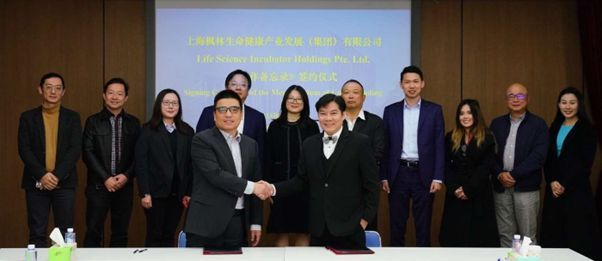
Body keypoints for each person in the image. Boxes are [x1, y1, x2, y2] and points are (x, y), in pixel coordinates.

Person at [262, 94, 379, 249]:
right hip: (318, 229)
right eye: (323, 114)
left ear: (343, 114)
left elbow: (371, 185)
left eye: (333, 113)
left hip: (350, 227)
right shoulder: (310, 144)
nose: (328, 118)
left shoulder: (360, 142)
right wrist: (272, 188)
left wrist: (364, 220)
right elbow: (300, 181)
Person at [185, 90, 269, 249]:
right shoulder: (201, 140)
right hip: (205, 223)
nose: (228, 114)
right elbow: (215, 175)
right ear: (214, 115)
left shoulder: (251, 144)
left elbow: (256, 180)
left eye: (234, 110)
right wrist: (253, 187)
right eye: (223, 110)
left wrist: (255, 223)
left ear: (241, 114)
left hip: (237, 222)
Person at [381, 65, 445, 247]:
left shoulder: (434, 110)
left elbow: (439, 145)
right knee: (396, 227)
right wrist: (384, 175)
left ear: (422, 84)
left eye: (415, 81)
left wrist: (438, 177)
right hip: (398, 174)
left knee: (423, 228)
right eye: (407, 82)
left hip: (423, 175)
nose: (411, 85)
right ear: (401, 85)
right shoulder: (390, 111)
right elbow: (386, 147)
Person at [18, 72, 82, 247]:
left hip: (64, 183)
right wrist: (42, 175)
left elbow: (75, 149)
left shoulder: (72, 117)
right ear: (40, 90)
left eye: (58, 88)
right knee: (37, 232)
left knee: (64, 234)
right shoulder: (28, 117)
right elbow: (24, 149)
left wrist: (56, 176)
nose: (53, 91)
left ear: (63, 92)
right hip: (36, 183)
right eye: (49, 87)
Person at [540, 87, 601, 260]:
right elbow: (548, 159)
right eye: (564, 102)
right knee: (554, 235)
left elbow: (584, 163)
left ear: (579, 105)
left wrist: (564, 183)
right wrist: (552, 180)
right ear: (558, 105)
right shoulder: (554, 127)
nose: (568, 106)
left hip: (576, 191)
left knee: (577, 236)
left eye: (572, 103)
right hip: (554, 191)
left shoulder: (586, 129)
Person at [82, 78, 140, 247]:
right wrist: (105, 177)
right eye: (111, 93)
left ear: (126, 97)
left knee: (121, 233)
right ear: (104, 95)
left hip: (124, 186)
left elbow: (140, 156)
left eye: (120, 93)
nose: (115, 97)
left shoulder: (133, 123)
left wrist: (127, 176)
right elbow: (87, 152)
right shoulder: (92, 121)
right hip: (98, 186)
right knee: (93, 231)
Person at [489, 83, 548, 247]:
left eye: (520, 96)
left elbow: (538, 156)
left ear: (527, 99)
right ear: (506, 100)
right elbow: (489, 155)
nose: (516, 99)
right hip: (501, 187)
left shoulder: (538, 124)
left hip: (526, 187)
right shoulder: (496, 124)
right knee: (506, 236)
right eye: (511, 96)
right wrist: (500, 173)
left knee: (527, 238)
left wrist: (514, 175)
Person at [135, 89, 194, 247]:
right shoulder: (148, 130)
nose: (171, 106)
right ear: (159, 105)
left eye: (174, 103)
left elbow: (190, 165)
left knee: (170, 234)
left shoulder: (187, 131)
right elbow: (141, 163)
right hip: (155, 193)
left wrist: (188, 192)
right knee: (155, 234)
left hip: (178, 194)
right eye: (166, 102)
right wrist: (145, 192)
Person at [264, 85, 319, 246]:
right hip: (279, 187)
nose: (294, 102)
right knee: (281, 231)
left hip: (306, 188)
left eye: (299, 99)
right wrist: (269, 187)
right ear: (285, 101)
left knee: (304, 232)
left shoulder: (312, 126)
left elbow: (316, 158)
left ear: (305, 103)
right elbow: (268, 158)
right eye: (291, 98)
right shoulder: (275, 126)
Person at [439, 99, 499, 247]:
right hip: (455, 196)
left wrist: (468, 189)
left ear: (476, 115)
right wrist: (455, 188)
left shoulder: (488, 138)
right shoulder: (450, 137)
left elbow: (485, 168)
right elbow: (445, 165)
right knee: (454, 238)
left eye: (469, 113)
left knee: (478, 239)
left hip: (478, 196)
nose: (465, 116)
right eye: (461, 113)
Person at [341, 79, 385, 232]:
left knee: (365, 233)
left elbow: (378, 152)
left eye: (355, 92)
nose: (350, 96)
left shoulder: (375, 122)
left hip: (366, 185)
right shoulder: (335, 121)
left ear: (364, 97)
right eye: (346, 93)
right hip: (339, 186)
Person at [195, 69, 266, 159]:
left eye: (243, 85)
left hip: (246, 171)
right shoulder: (208, 112)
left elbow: (260, 153)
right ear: (226, 88)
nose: (238, 88)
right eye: (234, 84)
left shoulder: (258, 117)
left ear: (248, 91)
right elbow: (200, 145)